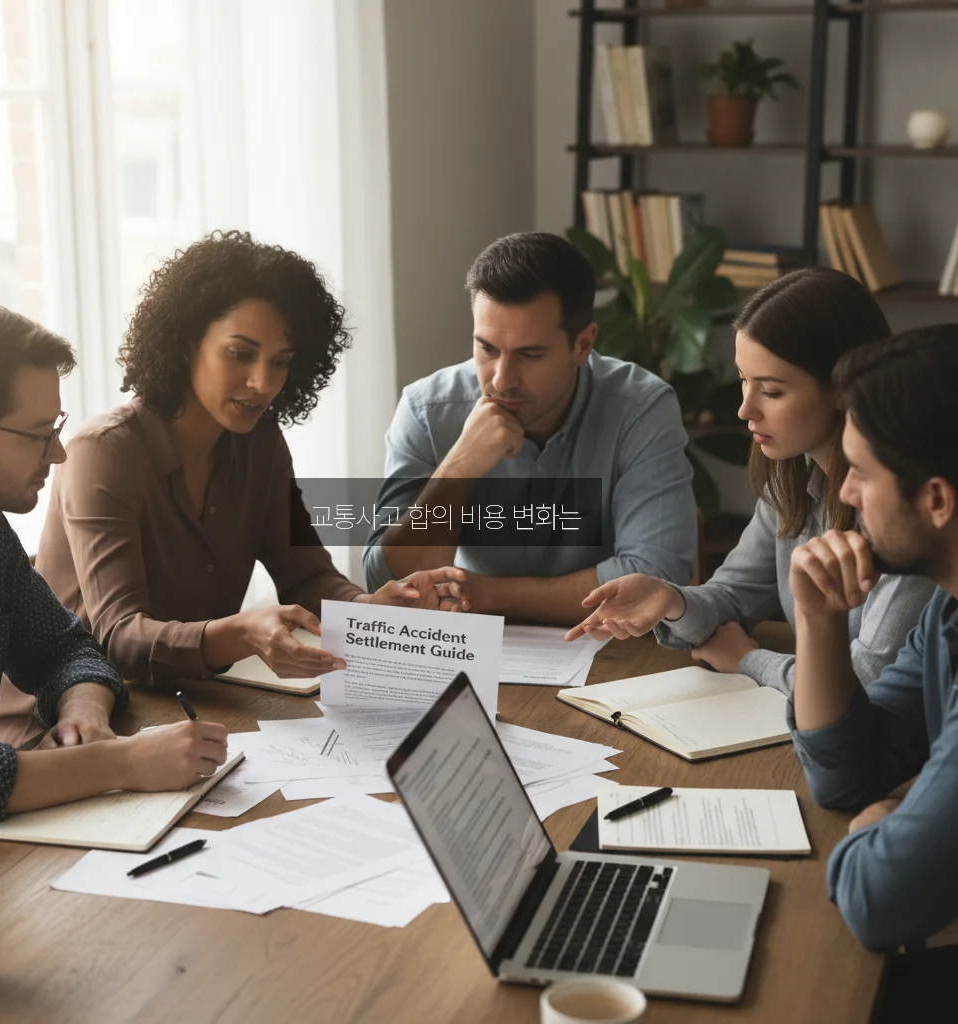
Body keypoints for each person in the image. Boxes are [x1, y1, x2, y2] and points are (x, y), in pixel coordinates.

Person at [33, 232, 466, 686]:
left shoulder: (260, 444)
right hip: (70, 716)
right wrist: (241, 633)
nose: (262, 383)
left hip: (190, 704)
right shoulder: (103, 452)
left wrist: (369, 612)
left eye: (280, 362)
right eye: (240, 354)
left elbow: (306, 576)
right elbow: (120, 639)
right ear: (185, 342)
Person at [566, 267, 934, 694]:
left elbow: (868, 679)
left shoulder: (908, 509)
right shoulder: (790, 481)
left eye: (771, 391)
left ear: (842, 388)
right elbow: (733, 596)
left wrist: (748, 661)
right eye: (743, 381)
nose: (744, 410)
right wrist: (672, 601)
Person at [0, 299, 228, 831]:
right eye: (38, 434)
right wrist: (116, 762)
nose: (59, 454)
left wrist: (83, 714)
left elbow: (66, 646)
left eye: (58, 427)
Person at [362, 232, 696, 625]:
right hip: (469, 651)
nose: (502, 380)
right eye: (487, 349)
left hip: (606, 652)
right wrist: (458, 468)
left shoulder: (640, 409)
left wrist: (488, 594)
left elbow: (655, 575)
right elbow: (389, 583)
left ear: (583, 344)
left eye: (530, 354)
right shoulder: (426, 410)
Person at [787, 324, 958, 952]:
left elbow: (880, 900)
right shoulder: (948, 609)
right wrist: (819, 620)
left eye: (859, 471)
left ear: (936, 498)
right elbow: (848, 775)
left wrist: (886, 818)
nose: (844, 493)